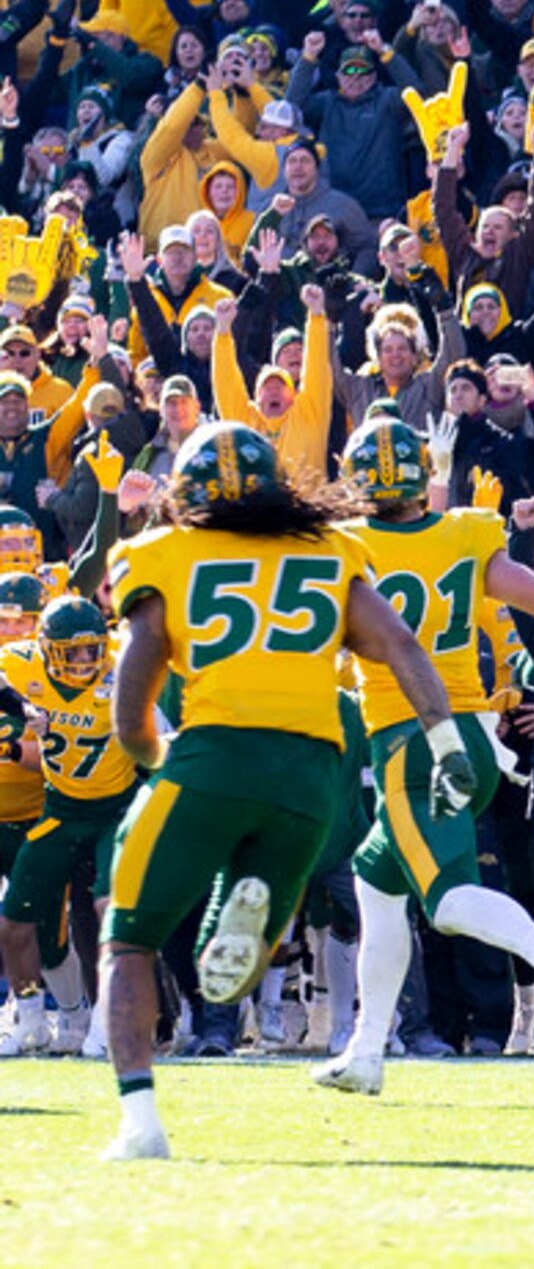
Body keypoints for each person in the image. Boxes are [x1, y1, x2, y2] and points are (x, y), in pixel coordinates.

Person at [97, 422, 461, 1161]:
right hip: (312, 772)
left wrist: (151, 756)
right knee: (231, 962)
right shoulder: (330, 550)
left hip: (213, 754)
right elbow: (399, 645)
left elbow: (138, 671)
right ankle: (246, 939)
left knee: (129, 939)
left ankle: (140, 1122)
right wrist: (447, 739)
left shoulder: (162, 552)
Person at [314, 416, 534, 1095]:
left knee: (445, 902)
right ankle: (366, 1052)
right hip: (470, 733)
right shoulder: (465, 535)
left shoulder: (345, 546)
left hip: (410, 741)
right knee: (377, 885)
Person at [0, 595, 136, 1060]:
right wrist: (18, 706)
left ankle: (105, 1020)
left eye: (91, 649)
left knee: (108, 910)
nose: (85, 660)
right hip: (58, 811)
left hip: (113, 813)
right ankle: (32, 1019)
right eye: (72, 652)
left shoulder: (123, 671)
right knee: (13, 923)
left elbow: (160, 737)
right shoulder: (22, 666)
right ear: (46, 649)